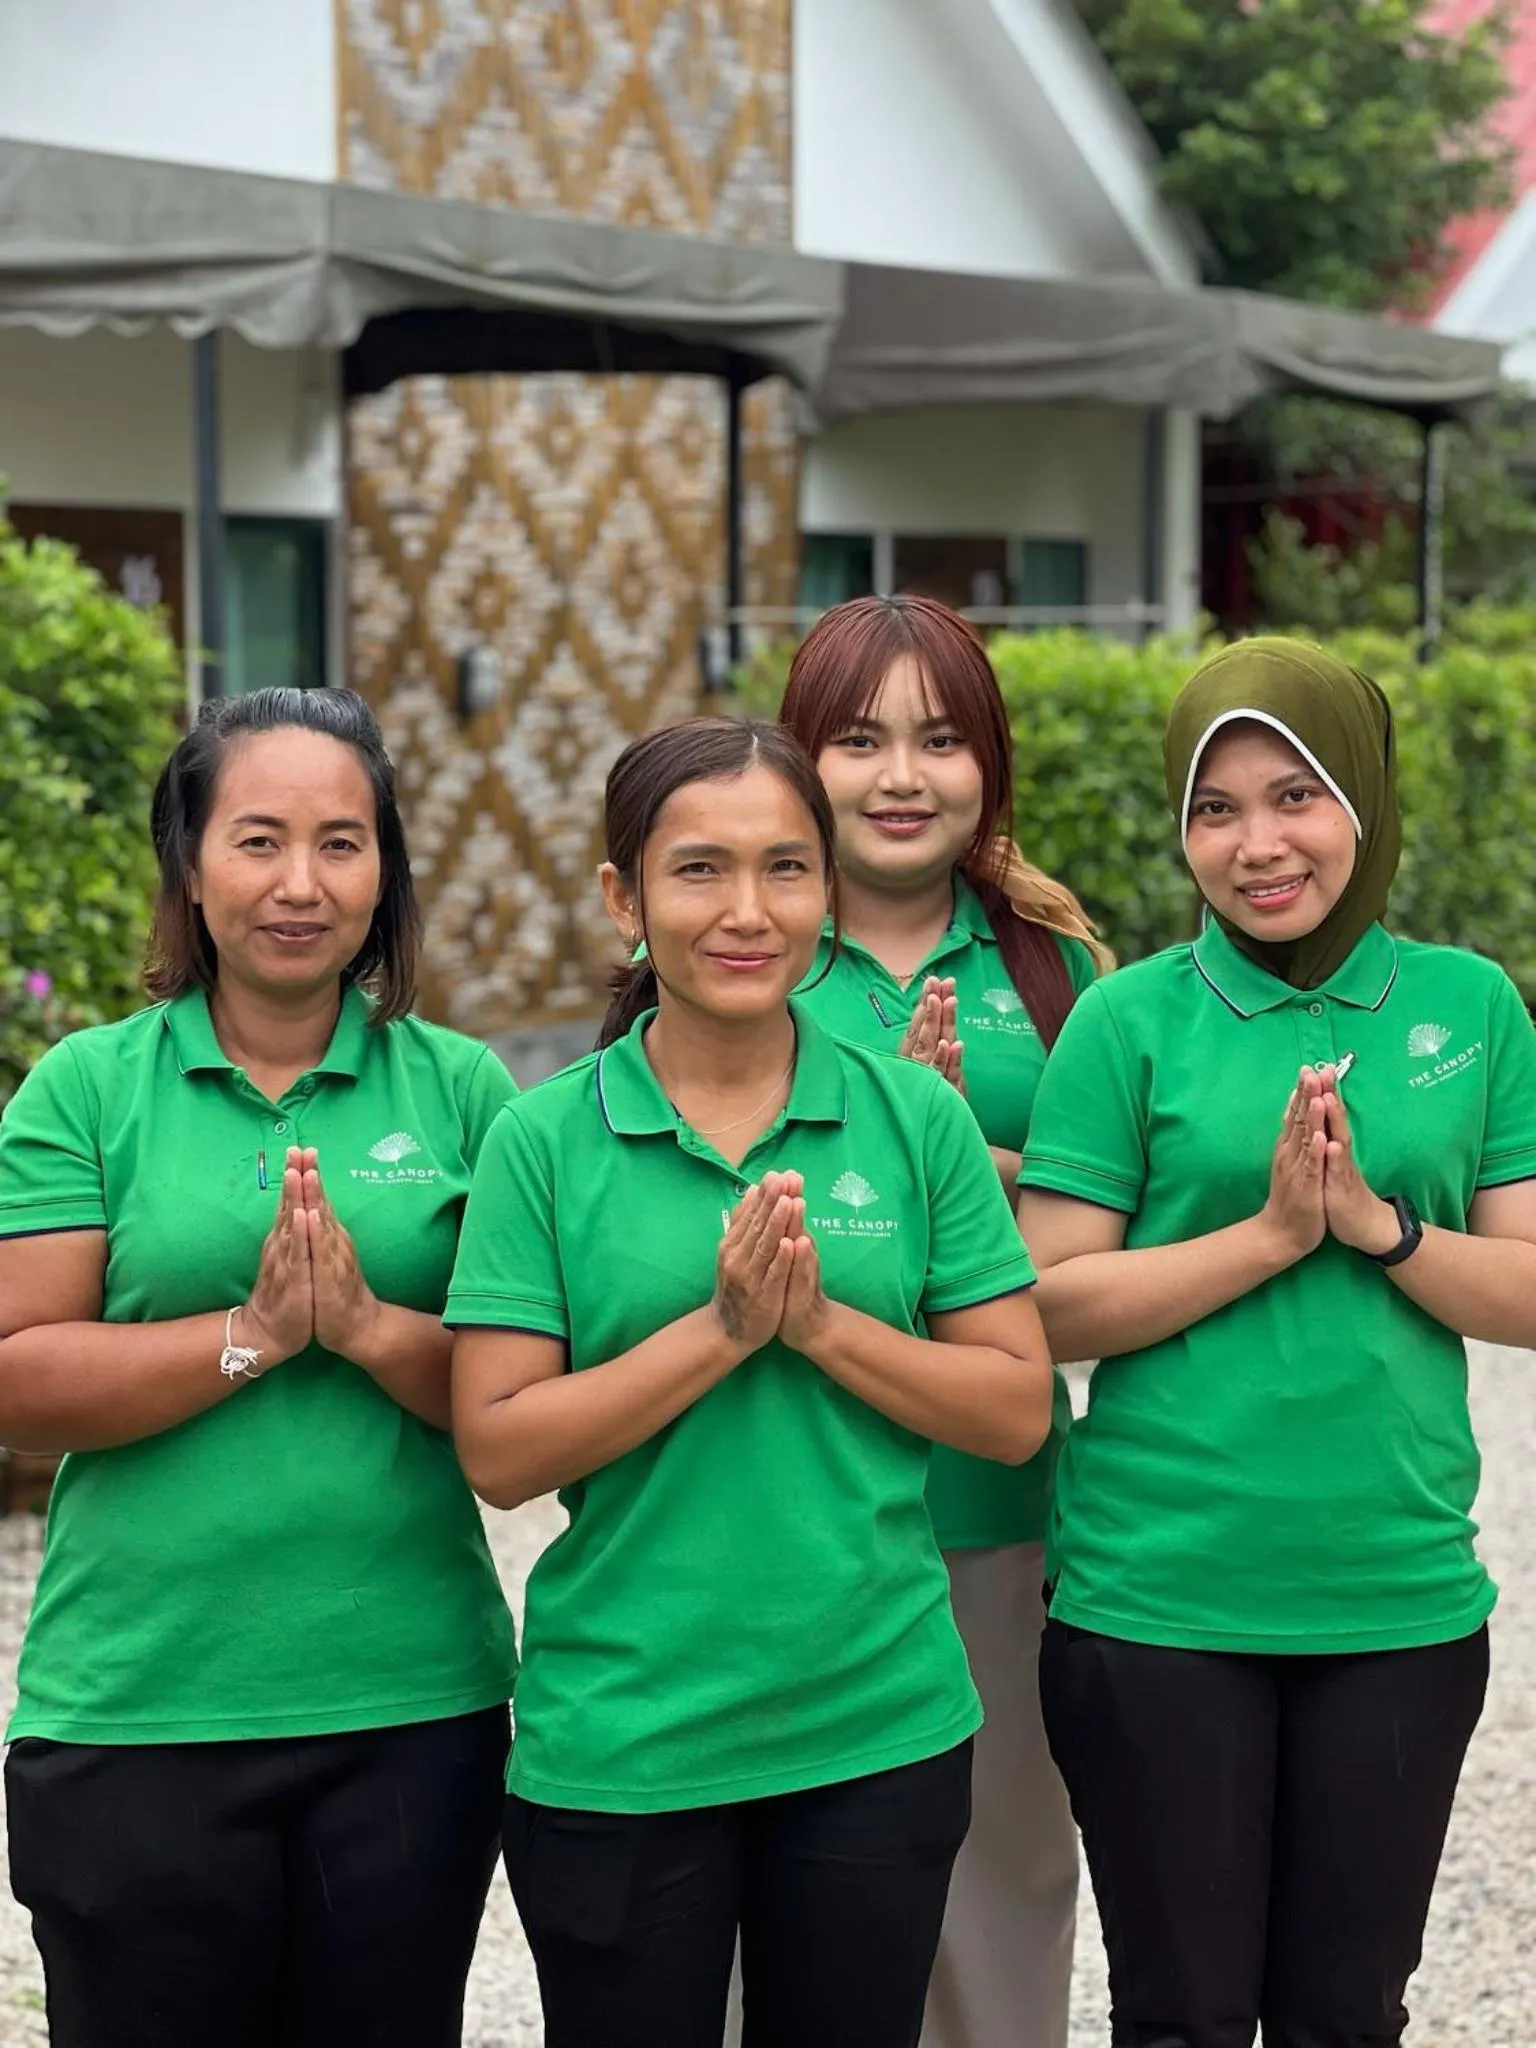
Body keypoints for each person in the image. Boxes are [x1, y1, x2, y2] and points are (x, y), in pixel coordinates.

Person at [448, 716, 1054, 2048]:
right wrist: (720, 1332)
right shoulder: (542, 1139)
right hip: (624, 1740)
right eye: (698, 870)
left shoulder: (917, 1118)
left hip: (877, 1727)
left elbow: (1014, 1408)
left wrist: (822, 1328)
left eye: (785, 868)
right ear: (624, 899)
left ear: (827, 890)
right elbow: (497, 1447)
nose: (747, 911)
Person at [1018, 638, 1536, 2048]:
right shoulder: (1129, 1019)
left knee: (1349, 2017)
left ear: (1363, 799)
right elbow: (1047, 1303)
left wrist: (1379, 1228)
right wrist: (1267, 1236)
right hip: (1155, 1603)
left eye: (1295, 796)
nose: (1257, 845)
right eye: (1216, 808)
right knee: (1180, 2017)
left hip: (1398, 1600)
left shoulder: (1469, 1006)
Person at [0, 687, 519, 2048]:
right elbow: (18, 1378)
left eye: (342, 843)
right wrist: (254, 1336)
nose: (301, 884)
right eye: (258, 840)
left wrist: (364, 1327)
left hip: (409, 1710)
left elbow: (525, 1399)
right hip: (137, 1711)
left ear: (385, 871)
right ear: (189, 865)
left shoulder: (466, 1093)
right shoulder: (86, 1088)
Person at [777, 594, 1109, 2048]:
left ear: (991, 765)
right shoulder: (742, 946)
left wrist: (968, 1162)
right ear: (800, 758)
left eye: (941, 740)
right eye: (859, 741)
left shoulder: (1058, 972)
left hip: (993, 1505)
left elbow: (1112, 1243)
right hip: (775, 1501)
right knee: (782, 1897)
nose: (902, 777)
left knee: (1001, 1887)